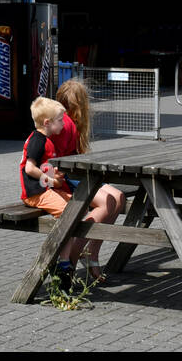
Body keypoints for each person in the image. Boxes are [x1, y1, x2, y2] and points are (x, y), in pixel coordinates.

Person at [19, 96, 114, 281]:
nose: (64, 123)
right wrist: (49, 179)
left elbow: (45, 167)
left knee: (77, 208)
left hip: (45, 189)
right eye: (60, 120)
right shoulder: (37, 140)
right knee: (68, 213)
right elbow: (29, 168)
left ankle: (65, 260)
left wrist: (55, 178)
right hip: (35, 193)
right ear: (47, 123)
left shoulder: (48, 140)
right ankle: (62, 263)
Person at [54, 79, 125, 278]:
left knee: (119, 198)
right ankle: (75, 252)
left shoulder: (72, 123)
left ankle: (92, 253)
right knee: (108, 201)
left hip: (77, 173)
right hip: (66, 176)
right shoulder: (64, 124)